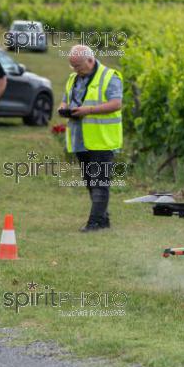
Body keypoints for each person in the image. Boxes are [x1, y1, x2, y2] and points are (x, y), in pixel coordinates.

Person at [58, 45, 123, 232]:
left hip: (103, 140)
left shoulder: (110, 76)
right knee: (89, 181)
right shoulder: (73, 78)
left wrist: (89, 110)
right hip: (81, 139)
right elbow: (65, 99)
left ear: (90, 60)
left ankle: (94, 222)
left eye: (78, 66)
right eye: (73, 66)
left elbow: (116, 104)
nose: (76, 70)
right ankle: (103, 220)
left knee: (100, 182)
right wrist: (63, 108)